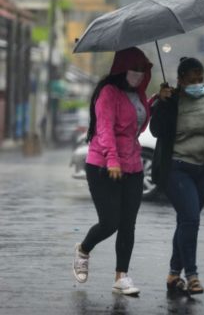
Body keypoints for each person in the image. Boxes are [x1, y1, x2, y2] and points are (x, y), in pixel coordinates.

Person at [72, 47, 158, 296]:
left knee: (128, 224)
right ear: (122, 69)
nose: (139, 74)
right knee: (110, 222)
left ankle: (121, 277)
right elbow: (105, 129)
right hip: (103, 165)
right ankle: (84, 249)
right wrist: (112, 160)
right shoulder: (108, 93)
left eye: (143, 70)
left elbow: (136, 128)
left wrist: (153, 101)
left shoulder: (139, 95)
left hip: (133, 165)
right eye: (135, 69)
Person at [150, 57, 204, 295]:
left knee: (186, 221)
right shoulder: (171, 99)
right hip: (177, 168)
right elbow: (156, 131)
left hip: (203, 169)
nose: (197, 84)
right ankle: (192, 275)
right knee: (191, 220)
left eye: (201, 79)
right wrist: (162, 103)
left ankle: (174, 274)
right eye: (192, 80)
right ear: (181, 80)